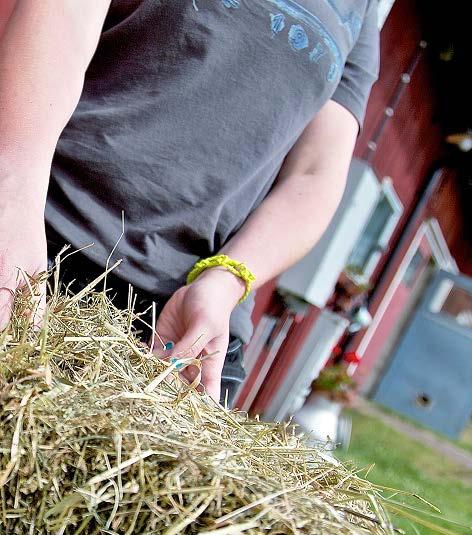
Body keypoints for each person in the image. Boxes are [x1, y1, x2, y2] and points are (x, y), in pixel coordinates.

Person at [0, 0, 380, 407]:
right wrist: (12, 205)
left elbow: (316, 173)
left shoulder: (363, 11)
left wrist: (225, 281)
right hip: (44, 242)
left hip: (188, 320)